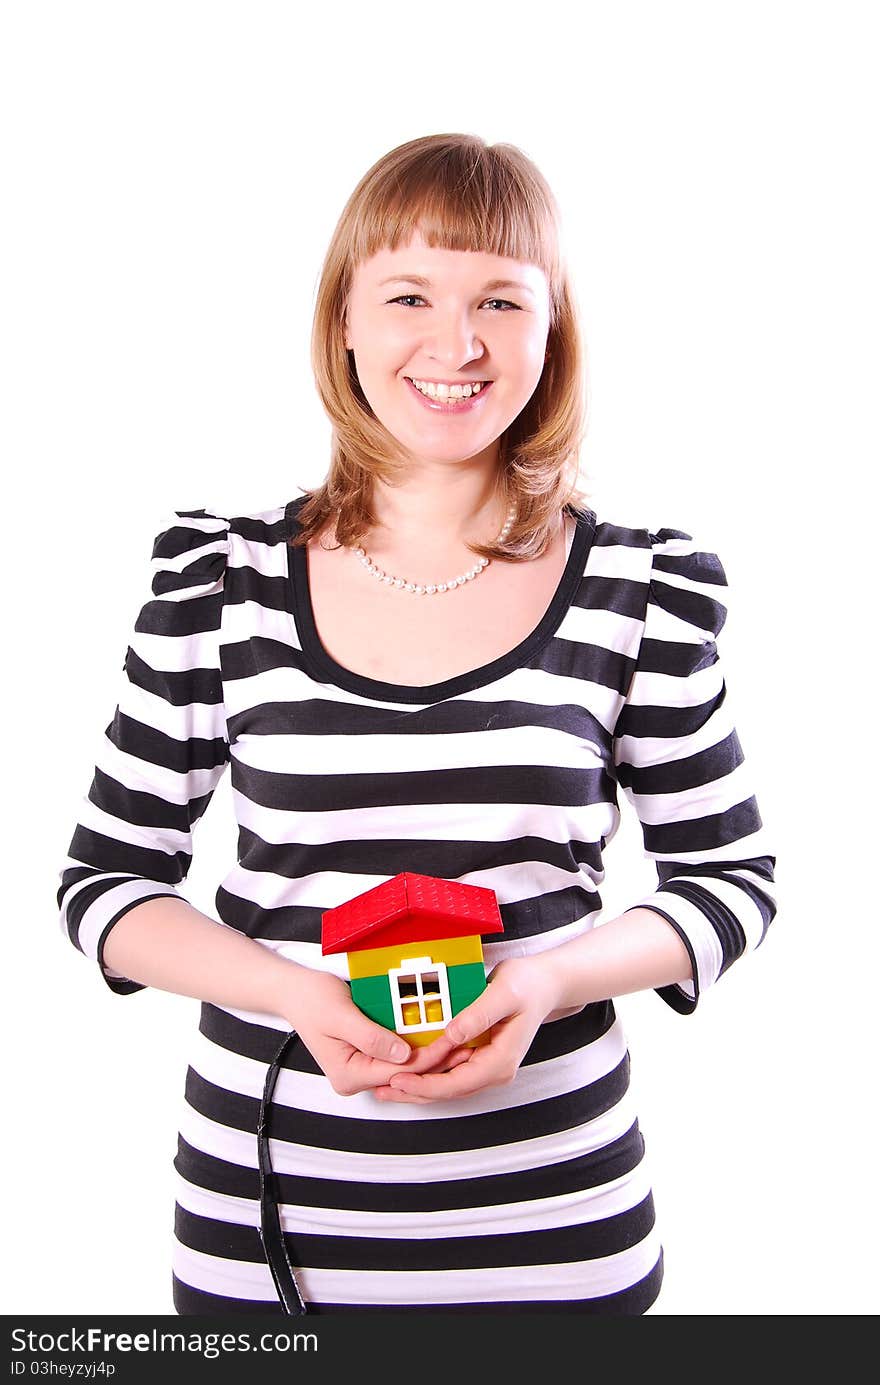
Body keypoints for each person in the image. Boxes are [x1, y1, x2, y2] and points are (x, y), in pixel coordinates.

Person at [57, 132, 777, 1316]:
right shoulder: (218, 578)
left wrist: (546, 981)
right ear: (343, 320)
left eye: (501, 297)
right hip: (267, 1220)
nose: (457, 345)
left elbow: (728, 878)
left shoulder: (637, 587)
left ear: (552, 333)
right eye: (409, 296)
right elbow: (105, 884)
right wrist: (297, 995)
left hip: (558, 1223)